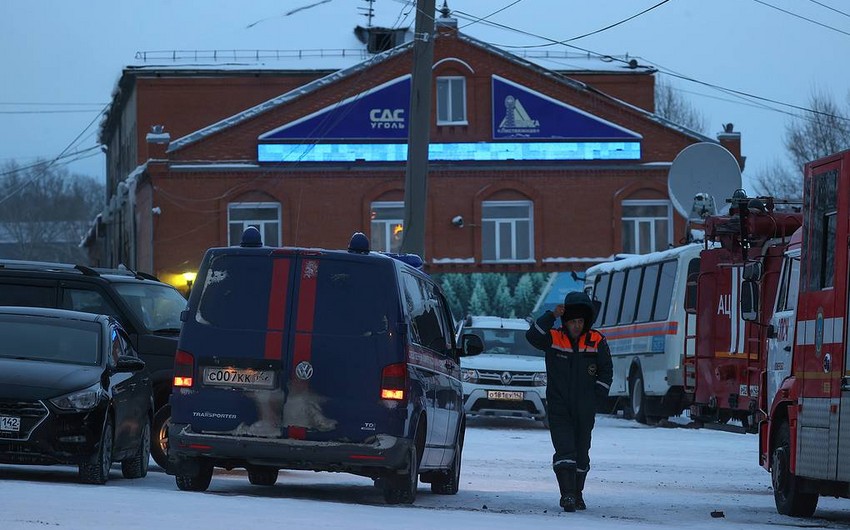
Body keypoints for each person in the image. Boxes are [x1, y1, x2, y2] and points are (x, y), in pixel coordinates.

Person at [526, 290, 613, 512]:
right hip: (559, 406)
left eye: (580, 321)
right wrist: (551, 315)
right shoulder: (554, 337)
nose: (576, 325)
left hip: (585, 408)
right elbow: (532, 336)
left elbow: (606, 372)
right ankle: (567, 495)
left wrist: (596, 400)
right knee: (565, 451)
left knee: (582, 454)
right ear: (566, 320)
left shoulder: (597, 340)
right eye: (573, 321)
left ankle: (578, 493)